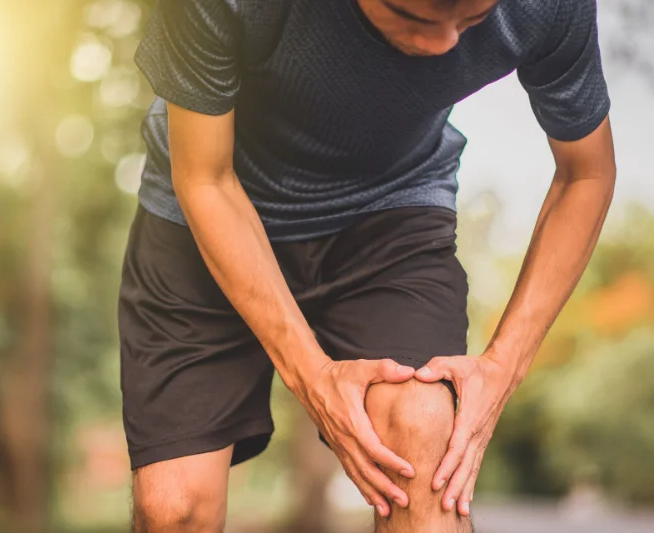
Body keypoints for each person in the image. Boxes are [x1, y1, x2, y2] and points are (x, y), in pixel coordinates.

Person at [118, 0, 616, 531]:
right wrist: (312, 375)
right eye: (414, 18)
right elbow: (206, 179)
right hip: (207, 208)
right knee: (174, 508)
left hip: (389, 212)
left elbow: (586, 175)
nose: (444, 46)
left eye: (471, 21)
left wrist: (503, 366)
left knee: (423, 442)